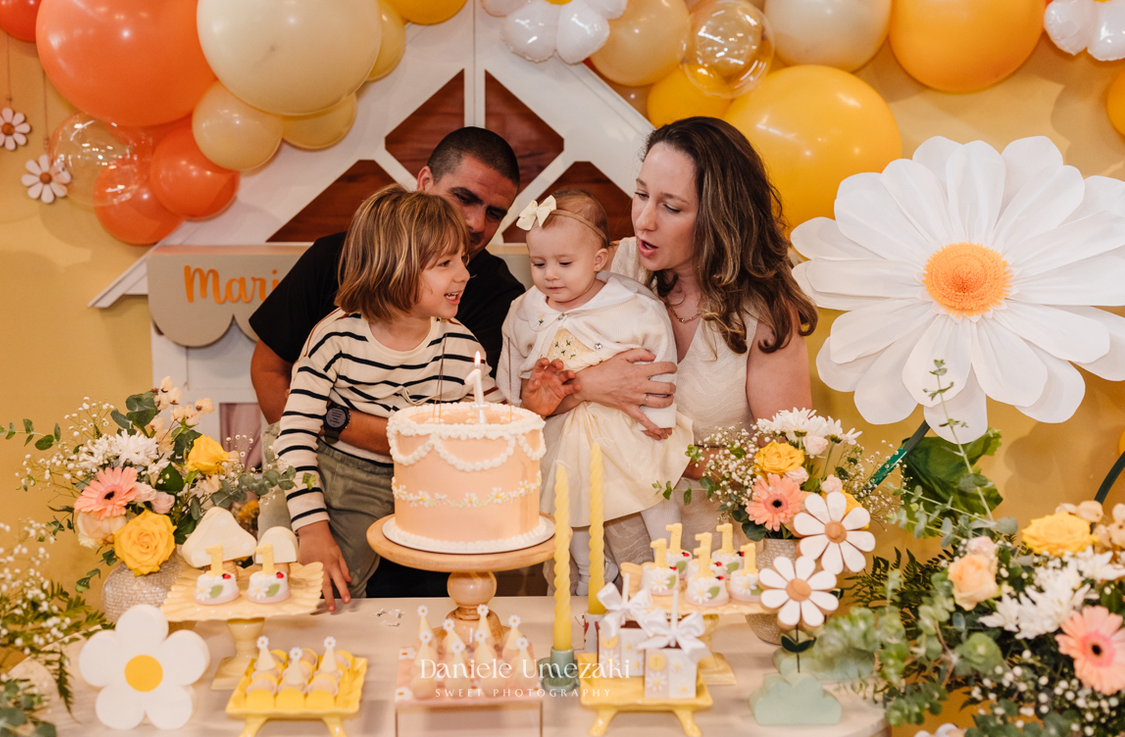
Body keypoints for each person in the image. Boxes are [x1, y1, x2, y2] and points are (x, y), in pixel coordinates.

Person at [523, 117, 818, 565]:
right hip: (595, 558)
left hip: (709, 565)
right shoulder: (598, 268)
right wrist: (587, 386)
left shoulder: (764, 315)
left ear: (721, 217)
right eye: (641, 194)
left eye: (672, 208)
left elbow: (785, 462)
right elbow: (525, 406)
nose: (644, 220)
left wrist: (669, 455)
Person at [249, 127, 524, 599]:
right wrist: (311, 525)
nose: (477, 226)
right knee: (313, 590)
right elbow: (292, 425)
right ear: (395, 264)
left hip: (422, 490)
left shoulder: (465, 337)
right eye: (446, 262)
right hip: (326, 474)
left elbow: (493, 422)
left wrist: (534, 409)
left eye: (495, 212)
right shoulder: (335, 332)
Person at [497, 189, 693, 594]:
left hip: (626, 427)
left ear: (598, 259)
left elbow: (660, 361)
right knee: (572, 504)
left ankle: (672, 565)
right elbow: (512, 372)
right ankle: (591, 574)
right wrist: (517, 413)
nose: (551, 275)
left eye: (565, 263)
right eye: (538, 263)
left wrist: (659, 418)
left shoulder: (632, 306)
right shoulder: (524, 311)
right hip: (564, 430)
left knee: (652, 491)